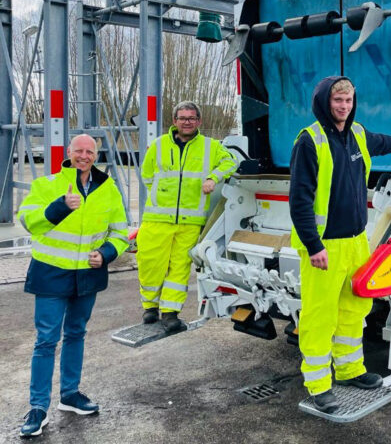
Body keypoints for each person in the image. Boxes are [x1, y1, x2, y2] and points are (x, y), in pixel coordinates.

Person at [289, 76, 391, 413]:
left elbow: (381, 141)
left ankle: (349, 370)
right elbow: (299, 199)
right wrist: (313, 244)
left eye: (348, 101)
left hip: (355, 243)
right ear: (324, 102)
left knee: (354, 309)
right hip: (325, 247)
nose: (344, 107)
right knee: (320, 316)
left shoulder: (358, 134)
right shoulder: (309, 141)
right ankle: (319, 385)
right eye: (338, 101)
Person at [17, 134, 129, 438]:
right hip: (51, 274)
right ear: (69, 153)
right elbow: (27, 220)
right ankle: (38, 408)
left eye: (89, 151)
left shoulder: (108, 189)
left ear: (96, 154)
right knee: (46, 340)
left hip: (87, 276)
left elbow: (120, 233)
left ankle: (70, 395)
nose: (84, 155)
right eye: (78, 150)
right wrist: (60, 206)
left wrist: (105, 254)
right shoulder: (48, 183)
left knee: (77, 334)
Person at [137, 101, 237, 331]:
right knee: (150, 264)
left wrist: (214, 178)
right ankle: (150, 307)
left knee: (180, 267)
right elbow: (147, 176)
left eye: (191, 118)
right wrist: (162, 197)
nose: (187, 122)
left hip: (191, 221)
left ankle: (170, 312)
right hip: (157, 219)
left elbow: (230, 162)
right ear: (174, 121)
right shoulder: (158, 145)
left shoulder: (210, 146)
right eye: (182, 118)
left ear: (199, 121)